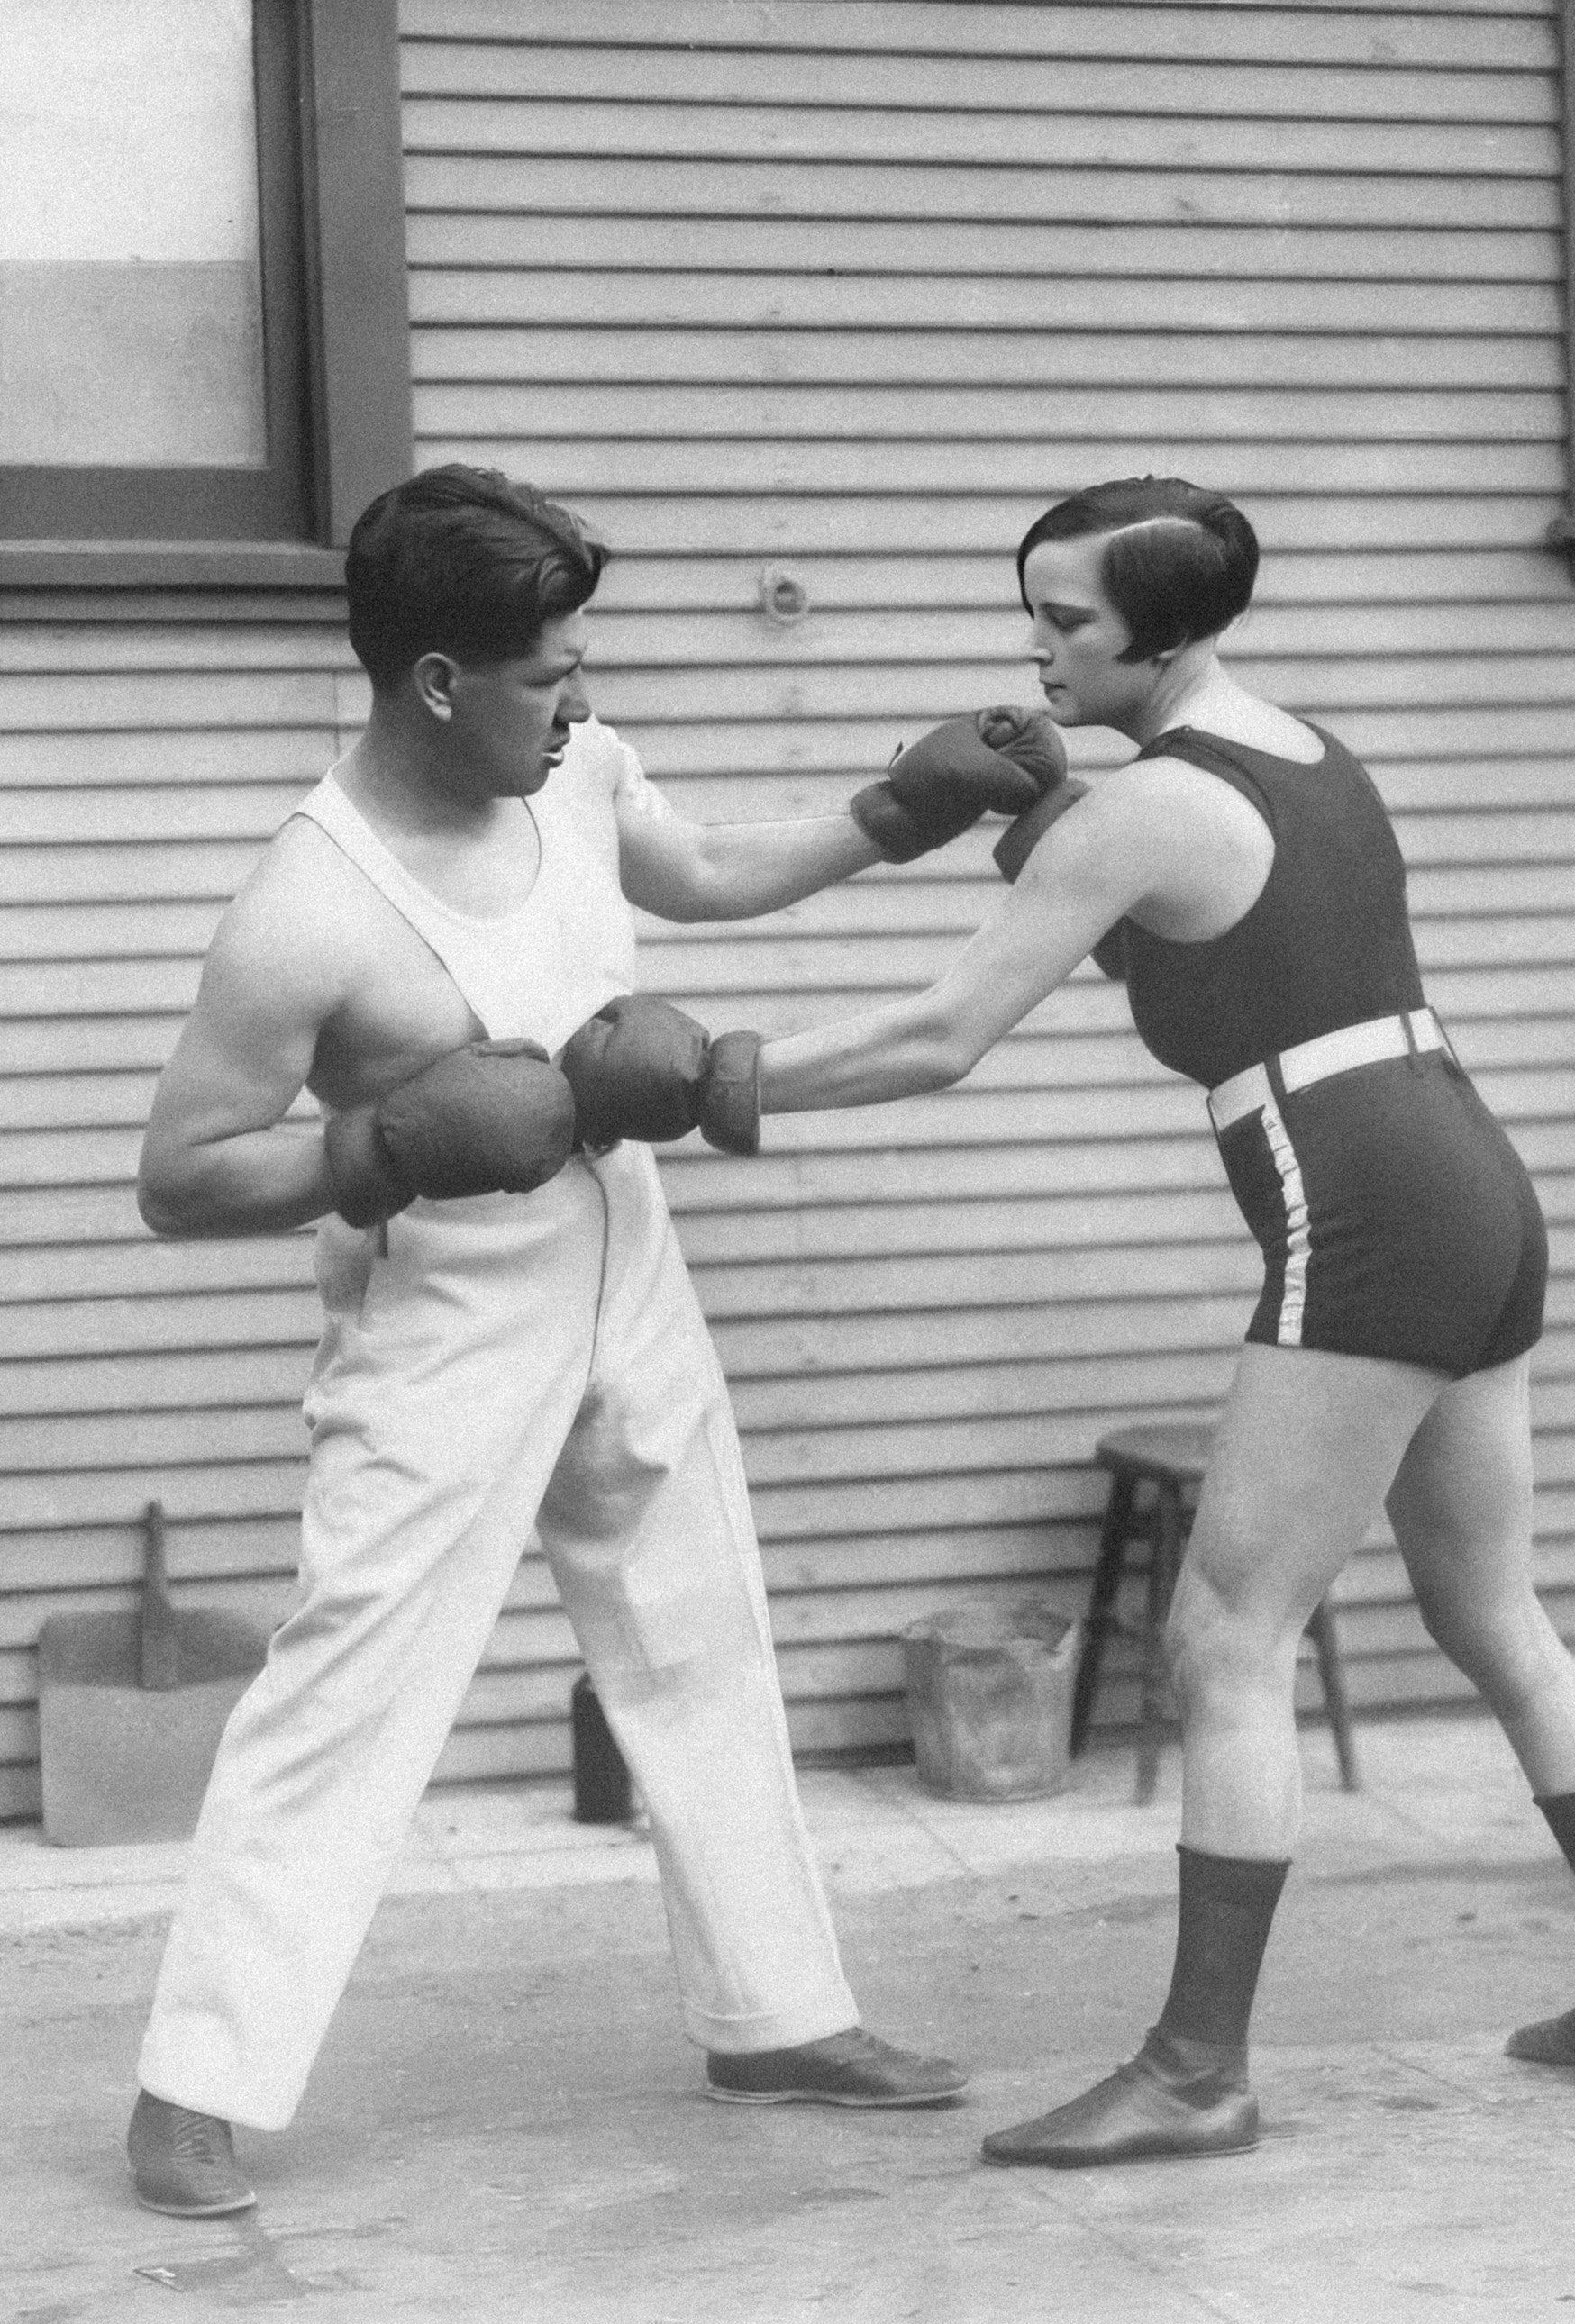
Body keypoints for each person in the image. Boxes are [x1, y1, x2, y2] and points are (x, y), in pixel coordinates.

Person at [712, 475, 1575, 2169]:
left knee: (1224, 1637)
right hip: (1469, 1173)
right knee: (1493, 1614)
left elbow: (939, 1034)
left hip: (1367, 1210)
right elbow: (1220, 948)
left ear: (1166, 631)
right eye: (1030, 610)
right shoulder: (1304, 751)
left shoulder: (1151, 807)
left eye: (1068, 623)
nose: (1035, 653)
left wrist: (698, 1086)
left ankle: (1197, 2068)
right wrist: (1046, 825)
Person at [125, 464, 1059, 2217]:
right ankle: (197, 2079)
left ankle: (778, 2012)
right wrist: (377, 1144)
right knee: (351, 1681)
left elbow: (698, 874)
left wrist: (892, 810)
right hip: (446, 1316)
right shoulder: (310, 904)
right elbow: (176, 1178)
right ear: (436, 683)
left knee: (704, 1629)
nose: (586, 698)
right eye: (551, 672)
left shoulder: (578, 771)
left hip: (627, 1256)